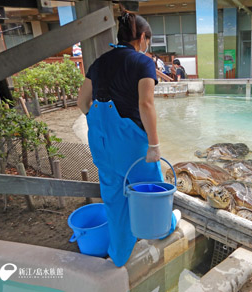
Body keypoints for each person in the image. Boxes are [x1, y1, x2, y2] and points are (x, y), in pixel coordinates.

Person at [77, 11, 180, 268]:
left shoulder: (99, 62)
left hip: (101, 142)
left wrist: (101, 122)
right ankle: (164, 227)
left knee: (113, 198)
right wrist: (154, 145)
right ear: (143, 38)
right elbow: (146, 104)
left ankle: (119, 253)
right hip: (131, 143)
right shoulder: (142, 62)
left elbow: (82, 102)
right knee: (151, 188)